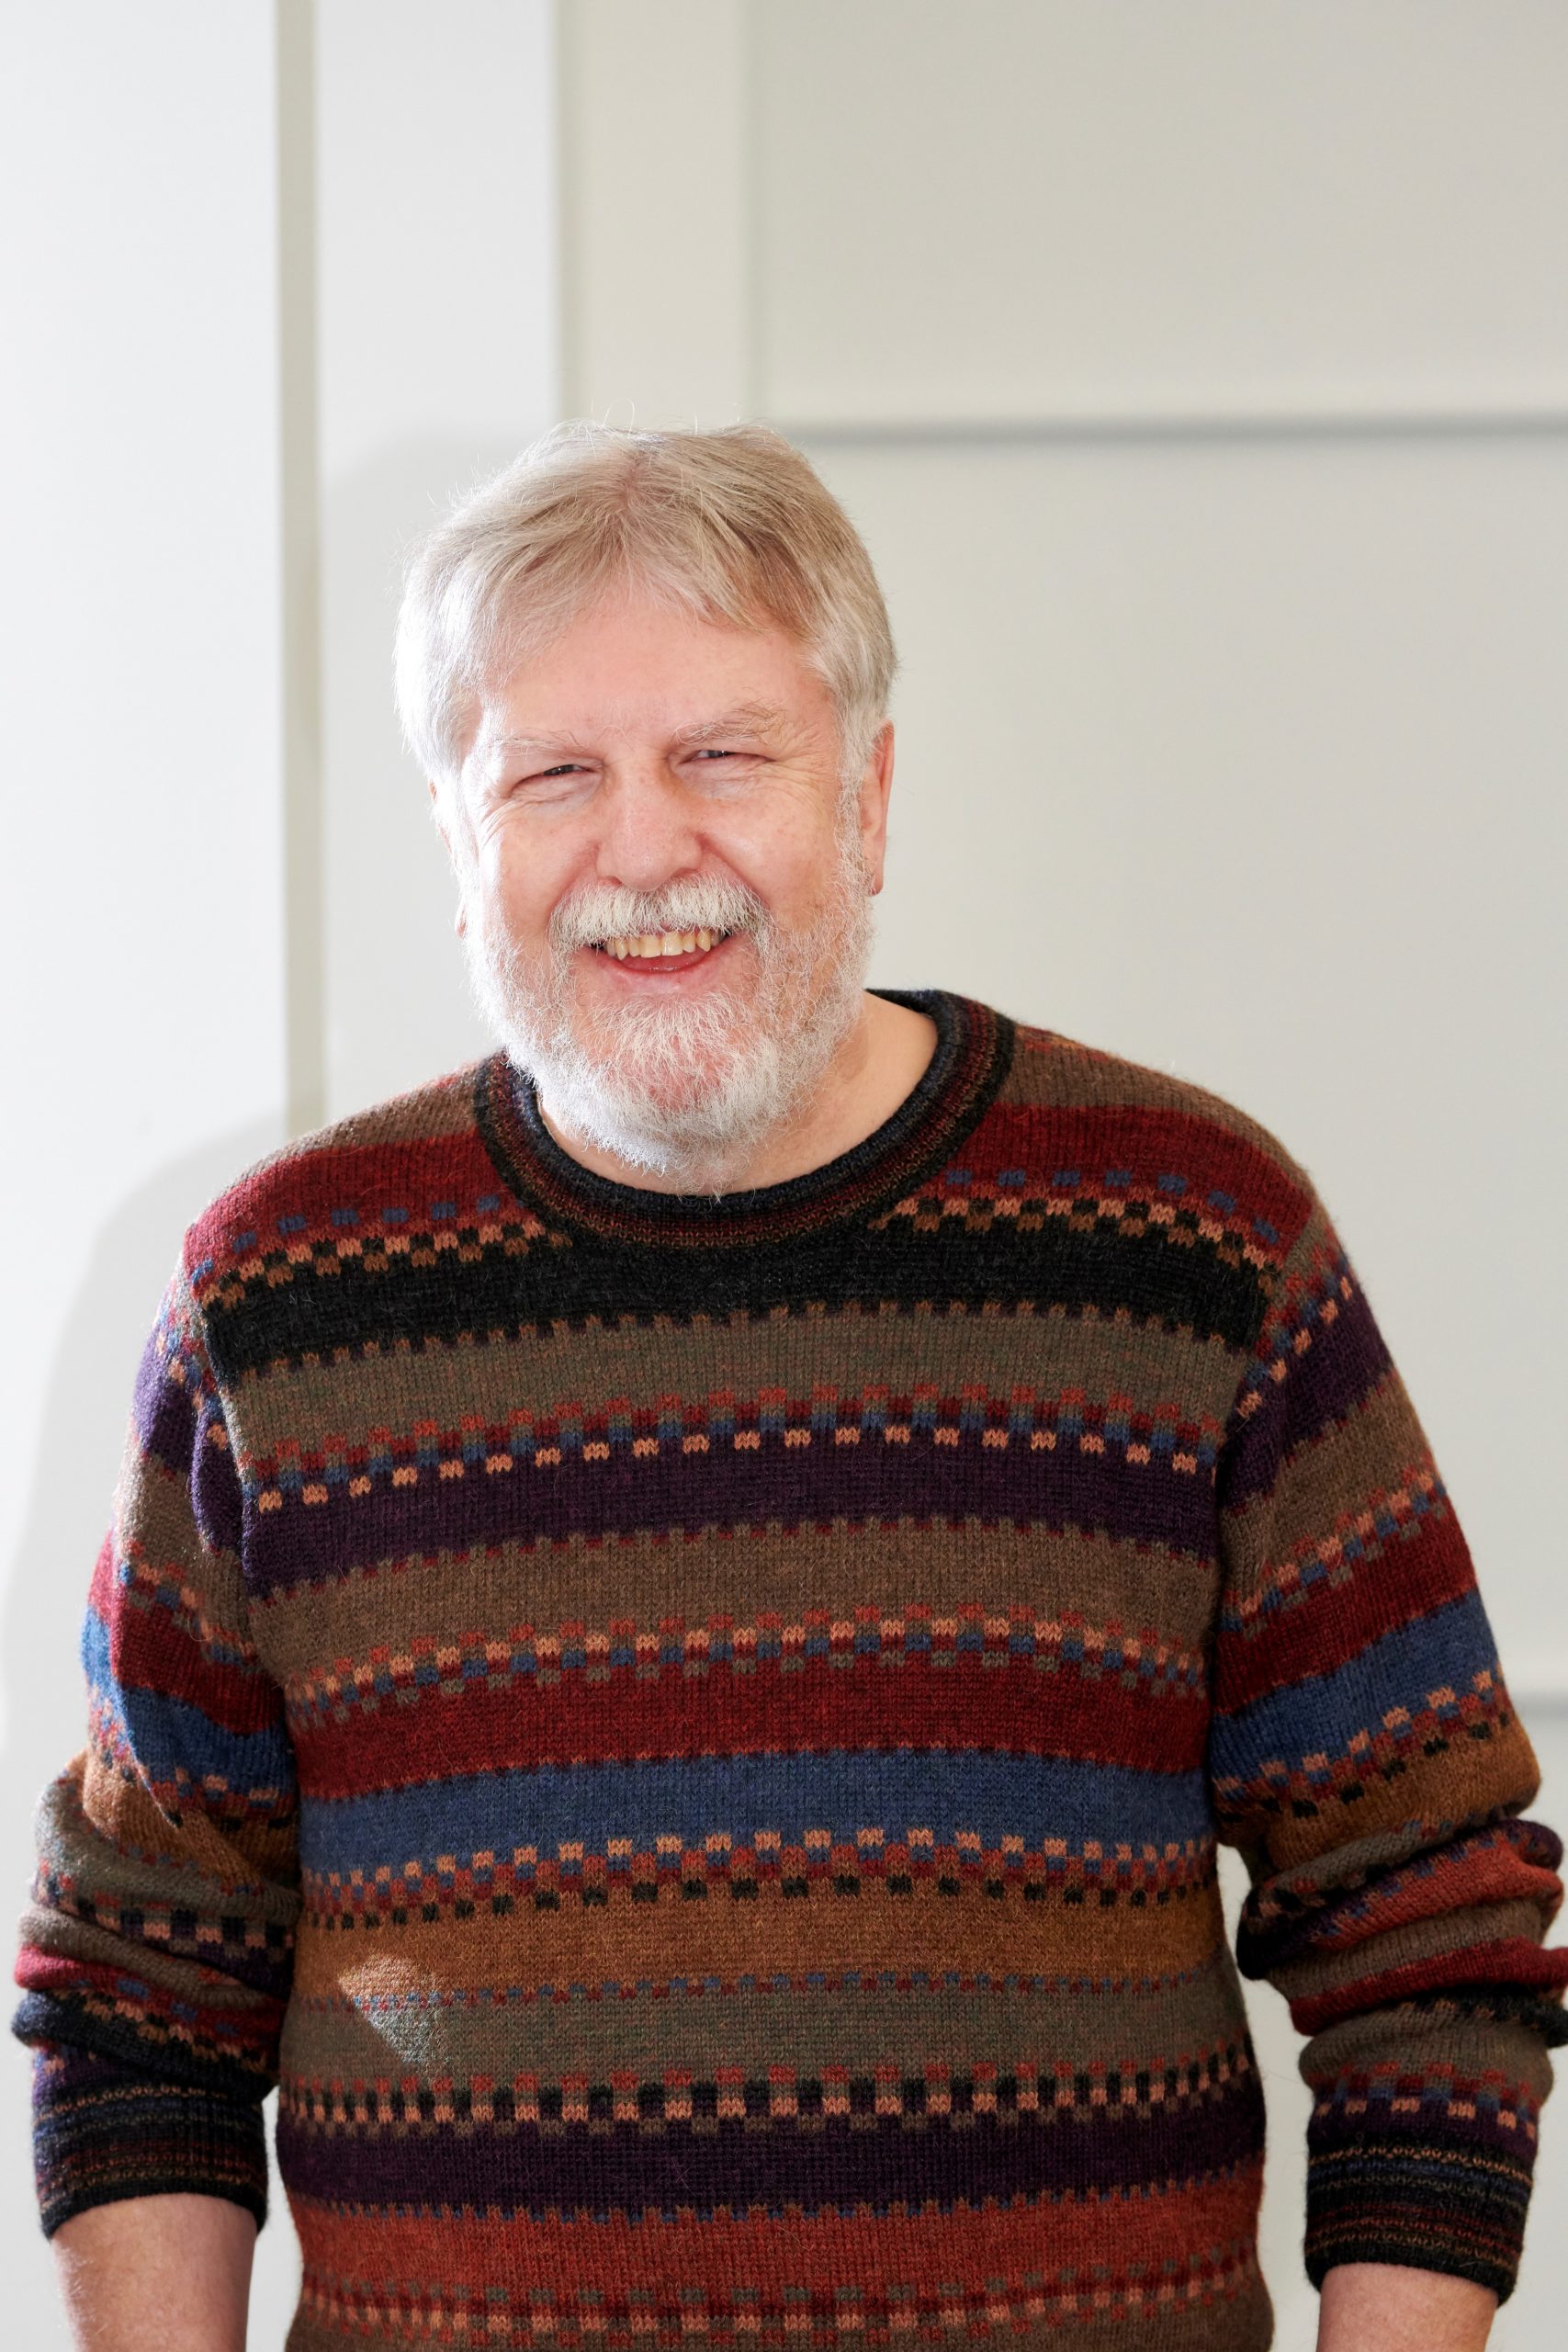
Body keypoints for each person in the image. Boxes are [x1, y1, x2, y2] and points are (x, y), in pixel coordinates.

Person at [15, 423, 1566, 2352]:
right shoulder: (276, 1302)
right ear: (459, 836)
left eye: (722, 756)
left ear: (871, 793)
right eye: (554, 773)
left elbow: (1427, 1922)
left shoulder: (1191, 1241)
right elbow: (142, 1986)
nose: (643, 849)